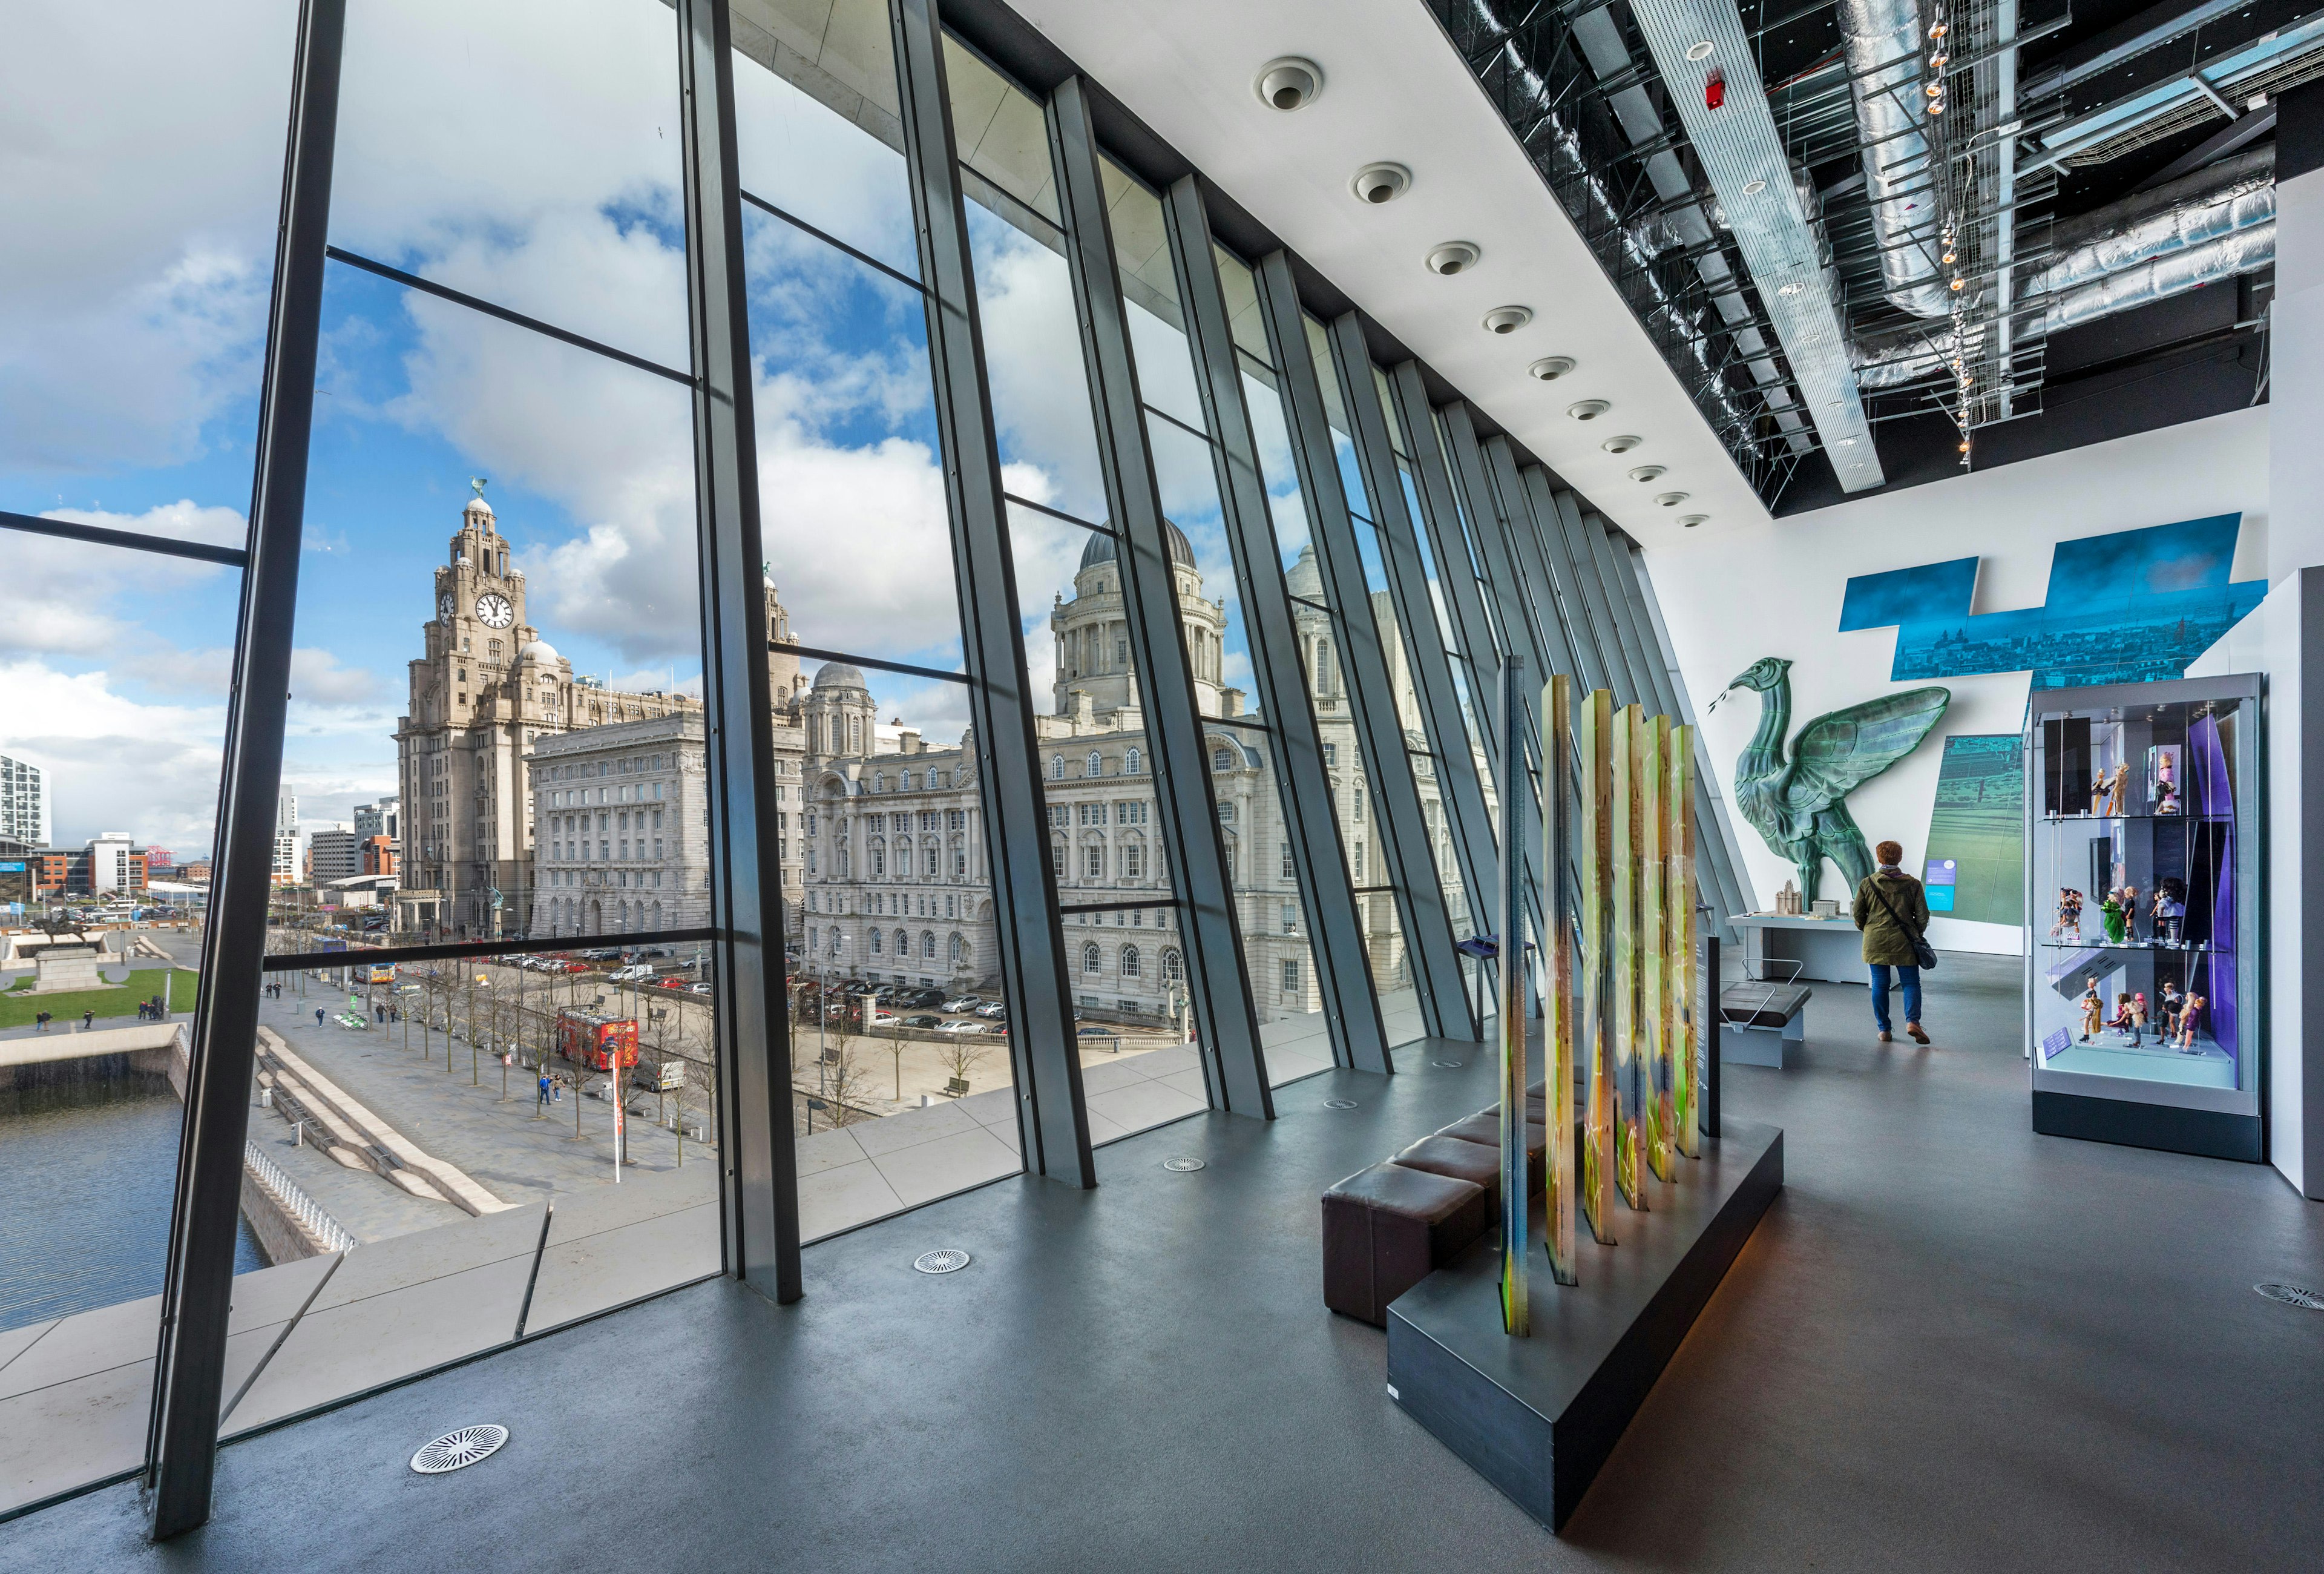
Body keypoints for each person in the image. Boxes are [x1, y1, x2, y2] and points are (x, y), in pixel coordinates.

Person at [1852, 838, 1932, 1045]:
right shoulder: (1913, 884)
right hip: (1905, 941)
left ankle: (1884, 1030)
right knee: (1911, 983)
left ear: (1879, 858)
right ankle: (1913, 1022)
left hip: (1875, 941)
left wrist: (1868, 929)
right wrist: (1916, 932)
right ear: (1900, 858)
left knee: (1880, 984)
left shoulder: (1867, 883)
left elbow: (1858, 914)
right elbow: (1923, 916)